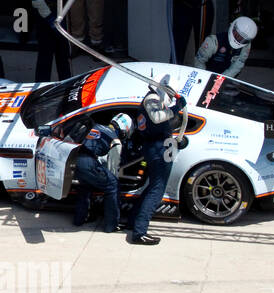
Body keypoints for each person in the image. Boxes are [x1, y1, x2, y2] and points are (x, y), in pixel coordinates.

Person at [128, 87, 187, 245]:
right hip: (159, 149)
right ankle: (139, 232)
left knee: (153, 187)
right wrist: (177, 107)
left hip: (154, 147)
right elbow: (158, 117)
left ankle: (133, 220)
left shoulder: (145, 103)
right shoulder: (152, 103)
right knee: (156, 191)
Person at [71, 112, 132, 233]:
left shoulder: (96, 126)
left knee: (85, 187)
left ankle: (79, 219)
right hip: (89, 162)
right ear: (124, 130)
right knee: (113, 185)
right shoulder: (115, 140)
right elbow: (113, 168)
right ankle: (111, 225)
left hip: (75, 160)